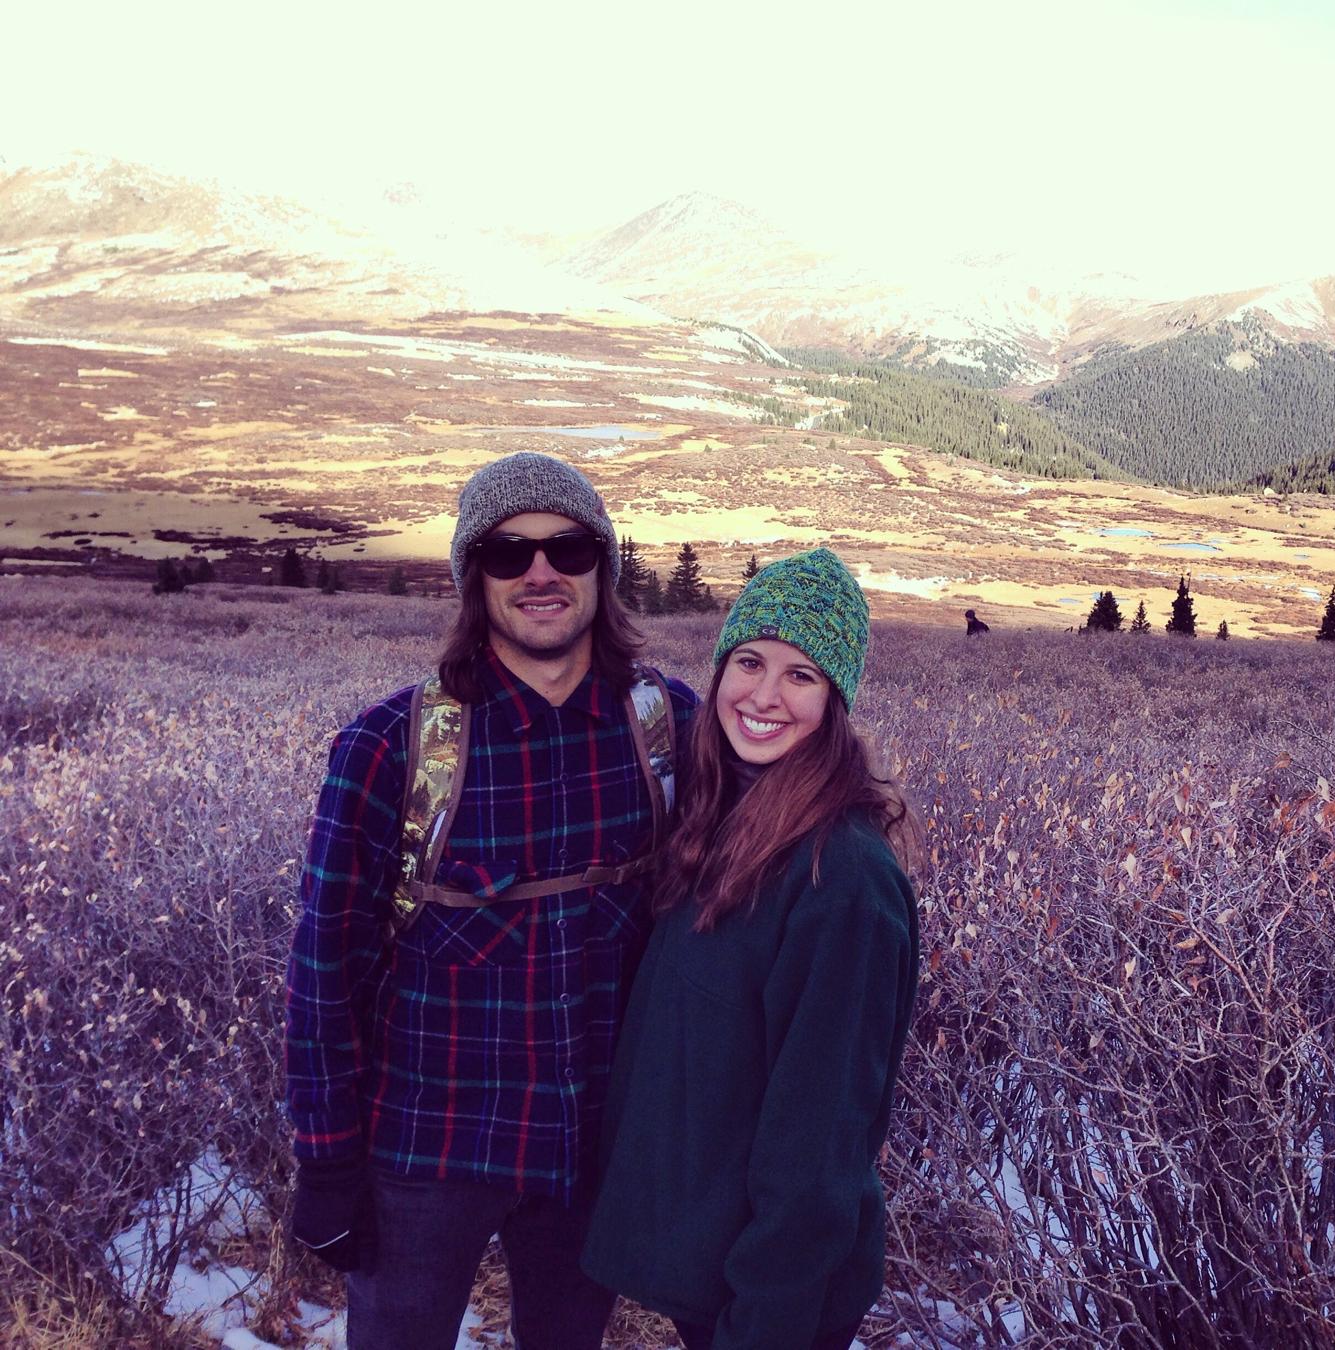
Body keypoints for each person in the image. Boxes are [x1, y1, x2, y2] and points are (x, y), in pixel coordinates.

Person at [284, 451, 696, 1350]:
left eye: (569, 548)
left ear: (604, 566)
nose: (540, 572)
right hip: (428, 1146)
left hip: (594, 1145)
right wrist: (326, 1164)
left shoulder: (671, 730)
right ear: (474, 577)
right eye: (508, 553)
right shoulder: (389, 748)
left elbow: (787, 822)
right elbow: (325, 969)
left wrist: (872, 813)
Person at [583, 547, 919, 1350]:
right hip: (719, 1268)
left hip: (772, 1300)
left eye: (802, 676)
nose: (764, 696)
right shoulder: (724, 823)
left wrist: (764, 1322)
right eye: (750, 661)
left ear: (837, 700)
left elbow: (819, 1150)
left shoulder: (841, 882)